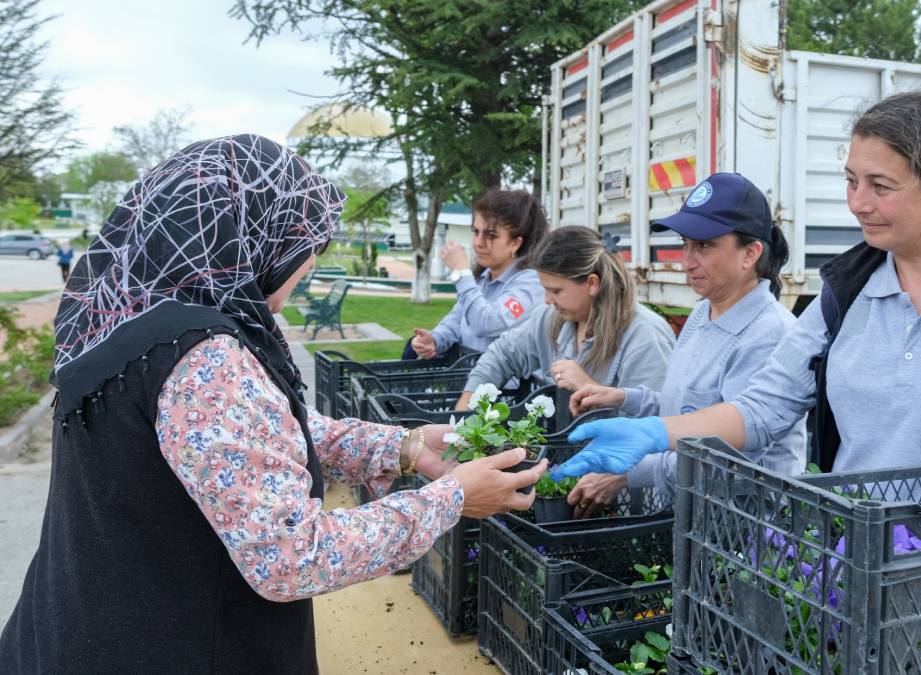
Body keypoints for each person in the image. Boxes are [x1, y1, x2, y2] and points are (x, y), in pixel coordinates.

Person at [0, 134, 547, 674]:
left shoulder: (130, 318)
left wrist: (400, 445)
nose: (308, 261)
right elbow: (293, 556)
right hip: (175, 645)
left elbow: (243, 433)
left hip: (75, 629)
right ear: (257, 235)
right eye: (307, 243)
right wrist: (451, 498)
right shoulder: (205, 356)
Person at [551, 91, 921, 486]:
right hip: (857, 568)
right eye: (852, 180)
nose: (858, 202)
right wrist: (657, 433)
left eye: (881, 186)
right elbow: (762, 408)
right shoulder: (843, 296)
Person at [565, 173, 806, 517]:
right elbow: (691, 411)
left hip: (746, 532)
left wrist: (628, 472)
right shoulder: (702, 313)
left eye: (705, 246)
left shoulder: (769, 335)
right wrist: (625, 398)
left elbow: (729, 458)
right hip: (691, 519)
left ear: (750, 253)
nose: (687, 261)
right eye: (685, 244)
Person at [456, 225, 676, 410]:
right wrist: (468, 403)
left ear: (592, 284)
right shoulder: (550, 318)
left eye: (556, 291)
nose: (547, 300)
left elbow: (657, 421)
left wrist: (588, 388)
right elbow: (503, 354)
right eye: (545, 289)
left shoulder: (646, 335)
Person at [407, 189, 548, 359]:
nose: (478, 243)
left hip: (508, 385)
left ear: (515, 243)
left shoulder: (532, 283)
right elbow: (457, 320)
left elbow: (487, 323)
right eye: (476, 232)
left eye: (491, 235)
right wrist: (434, 339)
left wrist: (461, 272)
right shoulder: (483, 278)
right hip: (473, 379)